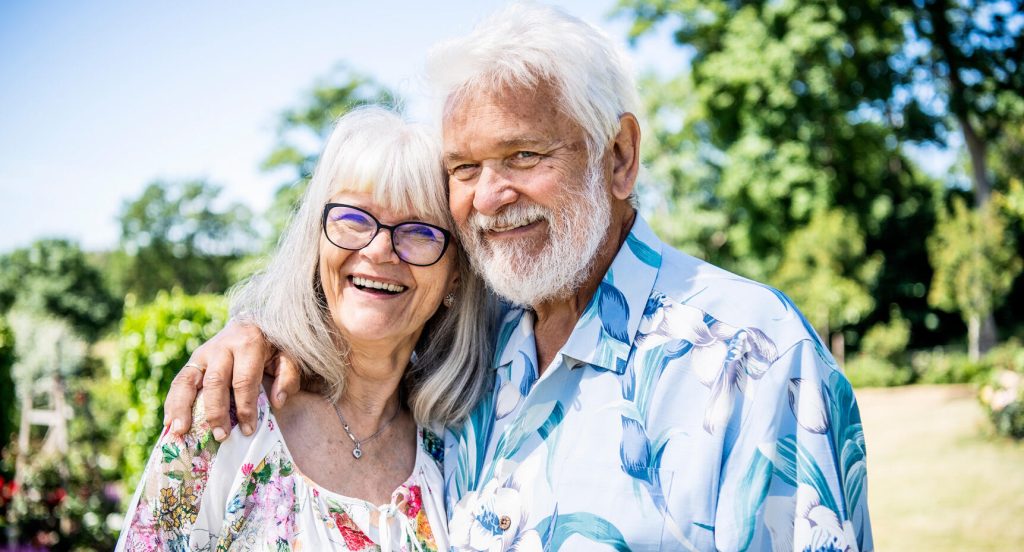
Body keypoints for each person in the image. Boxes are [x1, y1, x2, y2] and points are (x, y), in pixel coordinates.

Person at [162, 3, 873, 551]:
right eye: (463, 169)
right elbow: (360, 326)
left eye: (525, 155)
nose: (490, 196)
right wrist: (255, 333)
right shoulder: (467, 351)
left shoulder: (752, 360)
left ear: (620, 156)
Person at [116, 106, 499, 551]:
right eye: (354, 219)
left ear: (456, 275)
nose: (378, 250)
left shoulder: (455, 444)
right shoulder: (228, 417)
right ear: (316, 243)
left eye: (418, 232)